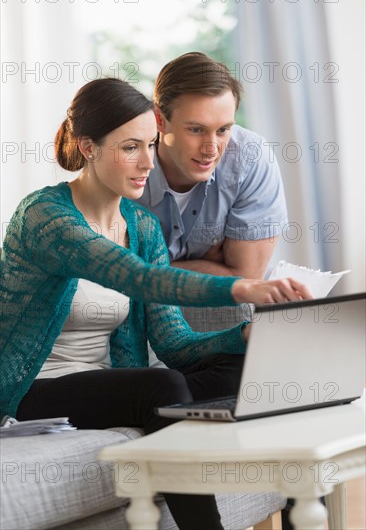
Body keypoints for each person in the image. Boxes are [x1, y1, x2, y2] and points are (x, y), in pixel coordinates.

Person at [0, 78, 312, 530]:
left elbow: (176, 344)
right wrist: (241, 288)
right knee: (161, 388)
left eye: (150, 144)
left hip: (109, 384)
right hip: (34, 392)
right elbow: (137, 277)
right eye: (130, 147)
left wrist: (247, 335)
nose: (148, 161)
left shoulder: (141, 226)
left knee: (257, 367)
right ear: (87, 147)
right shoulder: (44, 216)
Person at [138, 52, 287, 280]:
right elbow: (105, 279)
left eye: (223, 130)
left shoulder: (252, 158)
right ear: (159, 119)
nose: (211, 149)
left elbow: (246, 278)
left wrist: (145, 270)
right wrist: (211, 266)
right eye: (196, 130)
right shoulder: (125, 162)